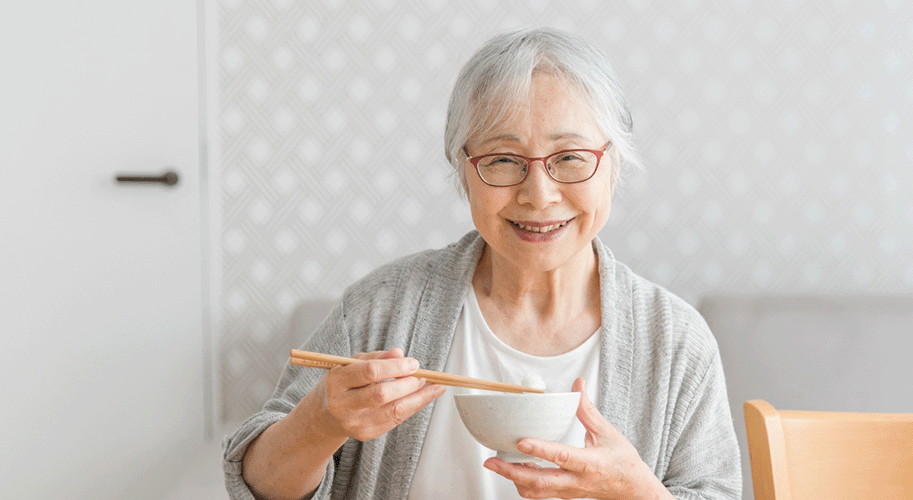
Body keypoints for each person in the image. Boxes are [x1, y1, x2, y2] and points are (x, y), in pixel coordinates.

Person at [223, 27, 741, 500]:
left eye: (569, 158)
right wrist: (321, 421)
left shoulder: (675, 342)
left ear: (614, 164)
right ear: (463, 169)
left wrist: (639, 493)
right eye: (503, 160)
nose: (539, 195)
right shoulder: (381, 310)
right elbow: (254, 485)